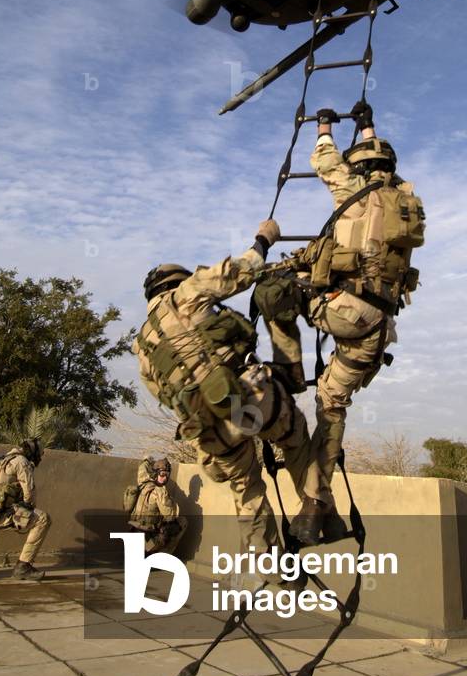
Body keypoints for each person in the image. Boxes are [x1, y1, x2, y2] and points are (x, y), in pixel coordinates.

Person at [263, 101, 425, 543]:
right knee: (331, 404)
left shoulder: (353, 195)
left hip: (345, 313)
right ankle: (318, 505)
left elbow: (323, 160)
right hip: (379, 330)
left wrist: (323, 126)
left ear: (361, 168)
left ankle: (289, 369)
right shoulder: (406, 205)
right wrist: (367, 124)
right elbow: (377, 159)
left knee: (273, 290)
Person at [132, 221, 339, 559]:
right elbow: (246, 269)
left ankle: (271, 564)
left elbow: (165, 396)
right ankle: (316, 510)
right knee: (294, 435)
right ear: (175, 282)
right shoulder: (187, 293)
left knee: (246, 490)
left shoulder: (142, 347)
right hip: (249, 400)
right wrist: (264, 239)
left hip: (210, 433)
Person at [0, 438, 51, 581]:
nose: (40, 457)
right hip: (2, 515)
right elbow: (29, 495)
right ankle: (23, 567)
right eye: (40, 454)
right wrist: (26, 512)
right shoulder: (22, 462)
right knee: (43, 519)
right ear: (33, 452)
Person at [127, 456, 187, 556]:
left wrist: (148, 459)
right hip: (147, 533)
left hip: (133, 530)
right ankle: (157, 557)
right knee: (181, 523)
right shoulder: (160, 492)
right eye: (162, 474)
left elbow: (143, 467)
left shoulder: (143, 482)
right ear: (156, 473)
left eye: (167, 475)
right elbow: (170, 515)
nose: (165, 478)